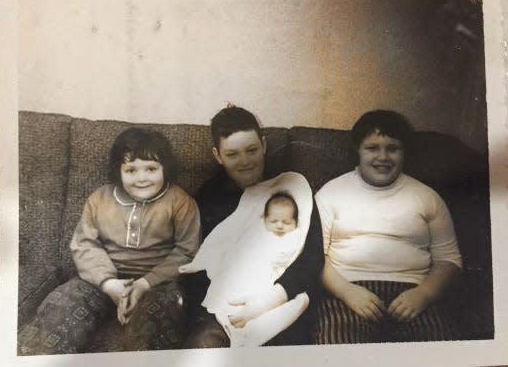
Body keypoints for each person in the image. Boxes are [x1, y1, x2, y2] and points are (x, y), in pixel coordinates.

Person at [18, 128, 200, 354]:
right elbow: (85, 245)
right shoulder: (100, 199)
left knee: (159, 317)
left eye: (151, 169)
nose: (142, 178)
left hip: (157, 284)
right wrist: (108, 283)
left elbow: (187, 251)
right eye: (131, 170)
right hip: (99, 280)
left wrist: (144, 284)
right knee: (61, 305)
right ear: (118, 171)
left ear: (165, 169)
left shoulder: (181, 202)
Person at [314, 109, 462, 343]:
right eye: (372, 148)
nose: (383, 157)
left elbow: (449, 260)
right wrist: (347, 292)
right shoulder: (330, 193)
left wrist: (423, 295)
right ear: (358, 151)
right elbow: (314, 257)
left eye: (392, 148)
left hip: (413, 296)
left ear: (404, 153)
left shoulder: (427, 197)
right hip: (347, 294)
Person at [183, 105, 324, 348]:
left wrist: (270, 299)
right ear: (217, 155)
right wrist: (221, 308)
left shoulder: (289, 189)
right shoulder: (209, 196)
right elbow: (201, 259)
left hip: (280, 300)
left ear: (265, 145)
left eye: (251, 150)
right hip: (225, 307)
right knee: (204, 346)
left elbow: (312, 256)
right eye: (232, 154)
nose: (245, 161)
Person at [181, 190, 310, 347]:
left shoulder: (293, 237)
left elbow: (295, 255)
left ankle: (245, 335)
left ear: (296, 223)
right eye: (273, 221)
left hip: (271, 287)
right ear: (264, 220)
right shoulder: (257, 231)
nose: (280, 226)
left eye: (287, 222)